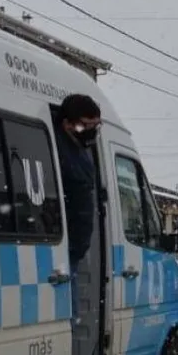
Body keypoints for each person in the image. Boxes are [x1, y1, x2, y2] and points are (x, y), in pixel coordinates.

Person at [54, 94, 102, 269]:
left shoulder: (82, 152)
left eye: (95, 126)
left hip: (70, 252)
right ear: (67, 124)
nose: (91, 131)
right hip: (63, 251)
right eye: (84, 126)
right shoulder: (58, 151)